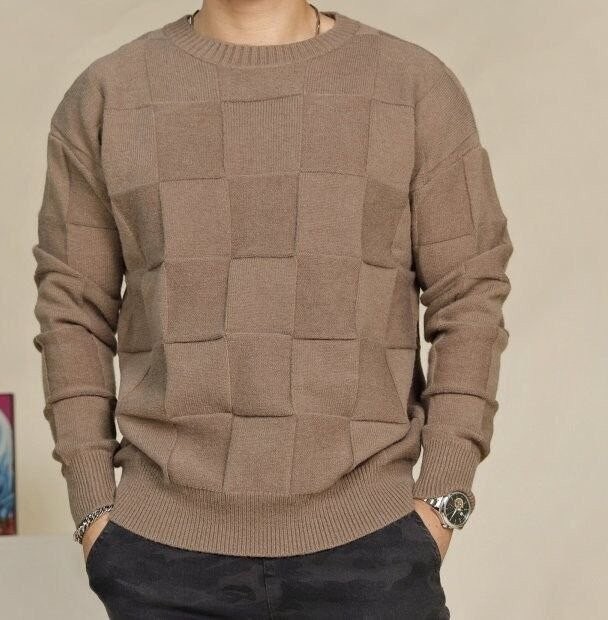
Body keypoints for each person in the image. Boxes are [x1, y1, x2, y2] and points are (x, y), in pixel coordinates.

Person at [31, 1, 513, 617]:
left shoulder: (414, 88)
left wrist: (443, 498)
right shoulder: (108, 96)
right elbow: (72, 311)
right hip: (160, 559)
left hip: (374, 548)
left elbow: (470, 295)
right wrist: (93, 509)